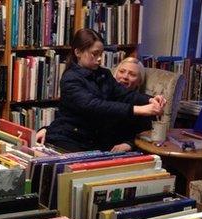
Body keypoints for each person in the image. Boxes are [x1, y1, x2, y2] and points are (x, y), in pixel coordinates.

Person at [36, 29, 166, 152]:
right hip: (71, 138)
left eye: (101, 54)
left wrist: (150, 99)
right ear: (78, 52)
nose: (99, 59)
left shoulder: (104, 74)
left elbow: (123, 93)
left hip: (93, 140)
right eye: (94, 54)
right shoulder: (70, 78)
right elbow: (94, 106)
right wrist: (139, 109)